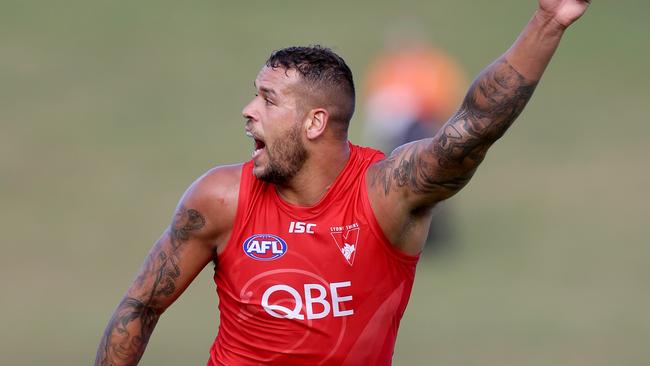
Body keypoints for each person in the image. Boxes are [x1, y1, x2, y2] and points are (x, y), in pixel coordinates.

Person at [95, 1, 590, 365]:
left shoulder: (387, 196)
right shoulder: (220, 198)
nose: (247, 112)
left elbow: (472, 130)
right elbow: (140, 307)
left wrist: (548, 19)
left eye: (267, 100)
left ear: (314, 123)